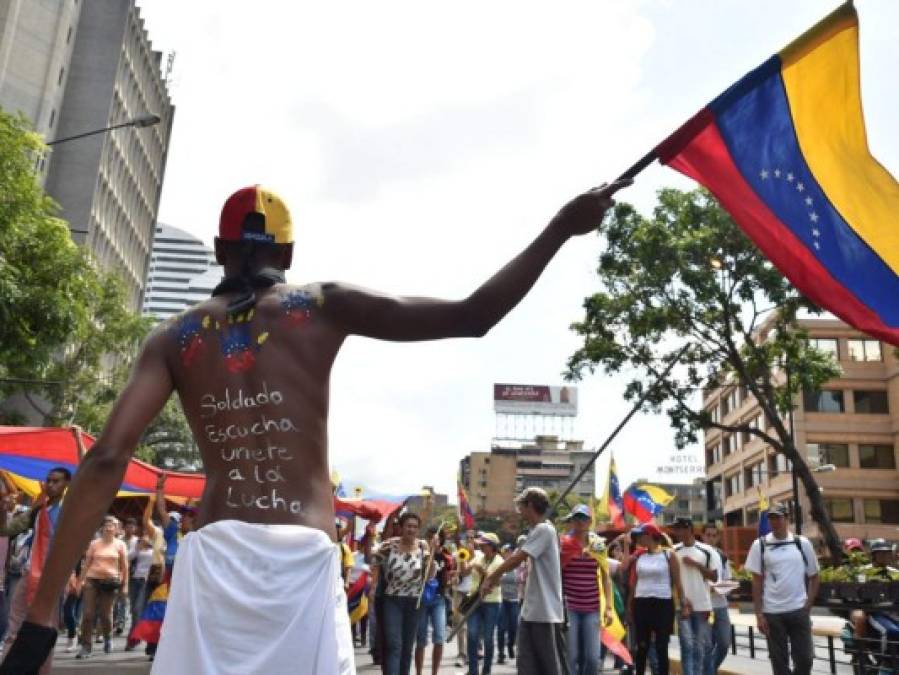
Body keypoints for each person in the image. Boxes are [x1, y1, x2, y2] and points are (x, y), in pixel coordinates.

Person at [2, 180, 629, 675]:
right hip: (301, 562)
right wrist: (561, 229)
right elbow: (475, 315)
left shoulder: (174, 337)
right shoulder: (321, 305)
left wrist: (41, 616)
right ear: (289, 255)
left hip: (214, 559)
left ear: (222, 251)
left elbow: (107, 459)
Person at [482, 487, 568, 675]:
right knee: (527, 665)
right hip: (531, 610)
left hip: (545, 612)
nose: (519, 510)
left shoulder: (544, 529)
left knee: (549, 667)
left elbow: (516, 558)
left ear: (529, 505)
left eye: (521, 505)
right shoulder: (536, 530)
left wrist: (491, 576)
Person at [0, 463, 72, 675]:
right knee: (15, 626)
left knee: (44, 629)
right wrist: (3, 511)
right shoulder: (39, 508)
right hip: (29, 573)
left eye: (55, 481)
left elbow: (91, 476)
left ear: (67, 484)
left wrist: (78, 440)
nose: (50, 484)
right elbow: (6, 529)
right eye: (48, 480)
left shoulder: (70, 508)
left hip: (52, 577)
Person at [744, 502, 819, 675]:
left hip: (798, 610)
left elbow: (814, 576)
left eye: (778, 517)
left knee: (805, 660)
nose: (774, 521)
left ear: (787, 519)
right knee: (779, 664)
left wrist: (807, 605)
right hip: (772, 612)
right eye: (771, 518)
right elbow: (756, 582)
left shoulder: (802, 543)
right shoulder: (760, 545)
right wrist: (759, 614)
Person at [370, 512, 433, 675]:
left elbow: (430, 575)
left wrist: (433, 552)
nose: (411, 530)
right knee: (394, 644)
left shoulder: (423, 546)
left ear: (418, 529)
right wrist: (373, 585)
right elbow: (374, 560)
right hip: (392, 600)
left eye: (415, 527)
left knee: (407, 647)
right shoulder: (389, 545)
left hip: (414, 602)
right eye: (408, 526)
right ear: (401, 527)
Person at [627, 522, 688, 675]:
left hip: (663, 604)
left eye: (640, 535)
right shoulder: (639, 556)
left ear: (649, 536)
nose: (638, 539)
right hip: (641, 603)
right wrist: (629, 606)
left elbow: (678, 582)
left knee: (661, 646)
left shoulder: (669, 555)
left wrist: (684, 604)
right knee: (641, 646)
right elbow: (634, 584)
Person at [559, 504, 613, 675]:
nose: (580, 522)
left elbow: (606, 577)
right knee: (572, 657)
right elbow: (556, 573)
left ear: (590, 521)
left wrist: (609, 608)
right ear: (572, 520)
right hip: (570, 607)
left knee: (592, 658)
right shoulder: (563, 543)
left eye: (584, 518)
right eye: (577, 518)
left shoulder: (598, 545)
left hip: (592, 607)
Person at [76, 515, 129, 658]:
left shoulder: (120, 545)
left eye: (112, 525)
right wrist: (80, 582)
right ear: (102, 528)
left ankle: (108, 638)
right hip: (92, 580)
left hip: (110, 582)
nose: (109, 527)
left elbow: (125, 567)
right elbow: (86, 564)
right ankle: (86, 646)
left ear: (117, 529)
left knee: (106, 615)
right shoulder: (94, 544)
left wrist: (125, 586)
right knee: (87, 614)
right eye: (106, 524)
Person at [670, 518, 717, 675]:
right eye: (675, 529)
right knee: (687, 646)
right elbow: (670, 578)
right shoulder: (673, 551)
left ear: (689, 529)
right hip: (682, 606)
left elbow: (714, 577)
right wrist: (681, 599)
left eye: (679, 529)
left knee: (701, 647)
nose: (676, 533)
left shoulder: (707, 551)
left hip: (702, 605)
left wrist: (695, 564)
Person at [414, 525, 453, 675]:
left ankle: (434, 673)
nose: (433, 540)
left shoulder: (446, 556)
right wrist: (429, 552)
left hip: (439, 599)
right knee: (421, 638)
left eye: (436, 537)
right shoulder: (420, 554)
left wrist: (452, 579)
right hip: (422, 599)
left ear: (441, 539)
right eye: (430, 537)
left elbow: (450, 575)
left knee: (439, 637)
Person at [466, 532, 504, 675]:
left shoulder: (500, 561)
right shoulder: (478, 557)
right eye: (480, 544)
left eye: (484, 544)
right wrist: (463, 561)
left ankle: (486, 670)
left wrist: (483, 571)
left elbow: (498, 582)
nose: (480, 546)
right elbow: (464, 572)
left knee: (488, 637)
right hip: (474, 600)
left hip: (491, 603)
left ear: (492, 546)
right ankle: (473, 670)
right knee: (472, 634)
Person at [701, 522, 731, 675]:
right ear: (702, 536)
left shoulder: (722, 556)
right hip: (704, 607)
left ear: (718, 537)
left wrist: (724, 587)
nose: (711, 538)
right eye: (708, 535)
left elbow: (727, 579)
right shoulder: (698, 554)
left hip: (721, 606)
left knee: (724, 644)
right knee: (706, 646)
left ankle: (708, 671)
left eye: (714, 535)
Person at [496, 544, 520, 665]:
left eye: (510, 551)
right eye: (506, 551)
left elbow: (522, 580)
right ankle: (501, 653)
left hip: (514, 601)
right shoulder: (501, 566)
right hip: (502, 600)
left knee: (513, 627)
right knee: (501, 628)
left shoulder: (518, 566)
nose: (508, 553)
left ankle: (511, 645)